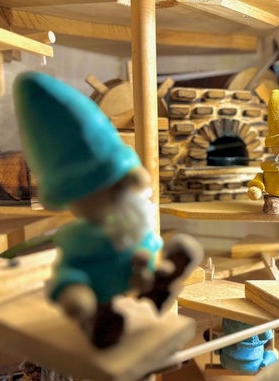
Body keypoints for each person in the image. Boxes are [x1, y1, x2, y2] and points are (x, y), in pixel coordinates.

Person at [13, 71, 203, 348]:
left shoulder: (132, 221)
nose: (118, 195)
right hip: (100, 286)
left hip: (136, 272)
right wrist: (73, 291)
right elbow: (70, 269)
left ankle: (156, 284)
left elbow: (145, 240)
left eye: (120, 185)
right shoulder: (79, 239)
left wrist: (147, 262)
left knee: (183, 249)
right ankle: (102, 318)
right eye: (105, 190)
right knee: (96, 312)